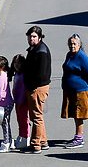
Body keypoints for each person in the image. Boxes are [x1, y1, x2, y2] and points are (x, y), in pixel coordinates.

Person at [60, 33, 88, 149]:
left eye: (74, 44)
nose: (72, 46)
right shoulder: (69, 55)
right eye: (70, 44)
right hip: (70, 90)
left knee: (79, 114)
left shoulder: (82, 57)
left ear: (79, 45)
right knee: (75, 114)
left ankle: (79, 138)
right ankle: (77, 136)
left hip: (81, 90)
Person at [23, 25, 51, 153]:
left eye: (34, 36)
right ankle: (43, 141)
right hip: (35, 87)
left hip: (38, 88)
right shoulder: (34, 49)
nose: (31, 39)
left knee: (36, 117)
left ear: (39, 37)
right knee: (38, 115)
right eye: (30, 36)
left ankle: (36, 145)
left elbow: (40, 74)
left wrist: (32, 87)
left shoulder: (41, 51)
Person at [0, 56, 14, 153]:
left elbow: (0, 94)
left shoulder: (1, 77)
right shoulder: (4, 75)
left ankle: (6, 143)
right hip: (8, 102)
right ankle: (10, 141)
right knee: (6, 123)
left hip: (4, 104)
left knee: (4, 124)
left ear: (1, 66)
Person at [11, 54, 30, 150]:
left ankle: (25, 137)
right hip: (17, 100)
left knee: (24, 120)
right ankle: (21, 135)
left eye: (19, 63)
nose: (17, 65)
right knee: (20, 119)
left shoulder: (23, 76)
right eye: (15, 63)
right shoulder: (17, 74)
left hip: (22, 101)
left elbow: (23, 90)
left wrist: (21, 101)